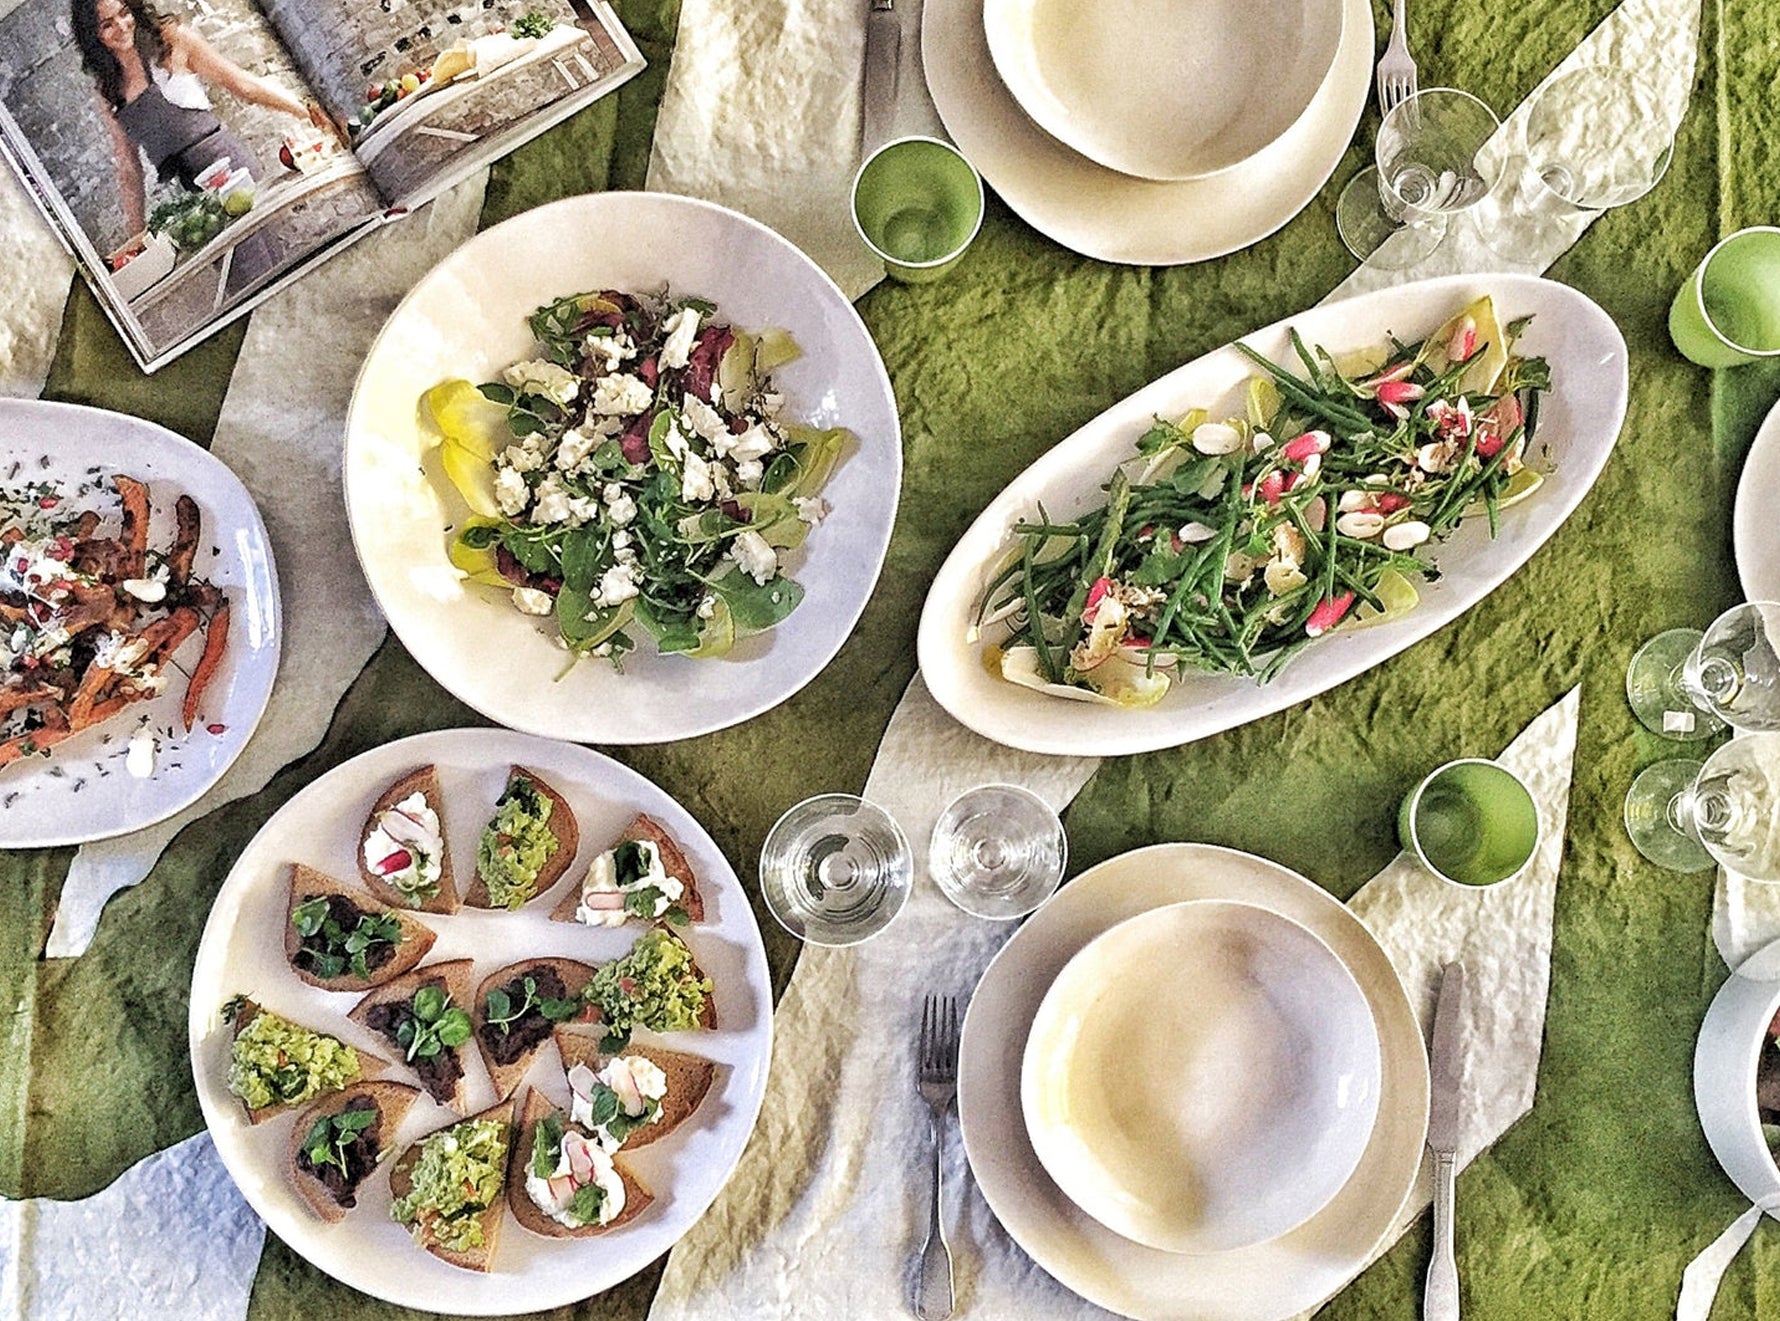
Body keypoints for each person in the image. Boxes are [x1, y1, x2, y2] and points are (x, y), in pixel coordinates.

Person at [73, 0, 329, 236]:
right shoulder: (107, 88)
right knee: (239, 273)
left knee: (267, 247)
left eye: (124, 13)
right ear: (93, 36)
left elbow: (242, 84)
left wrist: (308, 111)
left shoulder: (170, 40)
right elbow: (129, 166)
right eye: (107, 24)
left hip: (229, 169)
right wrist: (136, 237)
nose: (121, 26)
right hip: (194, 199)